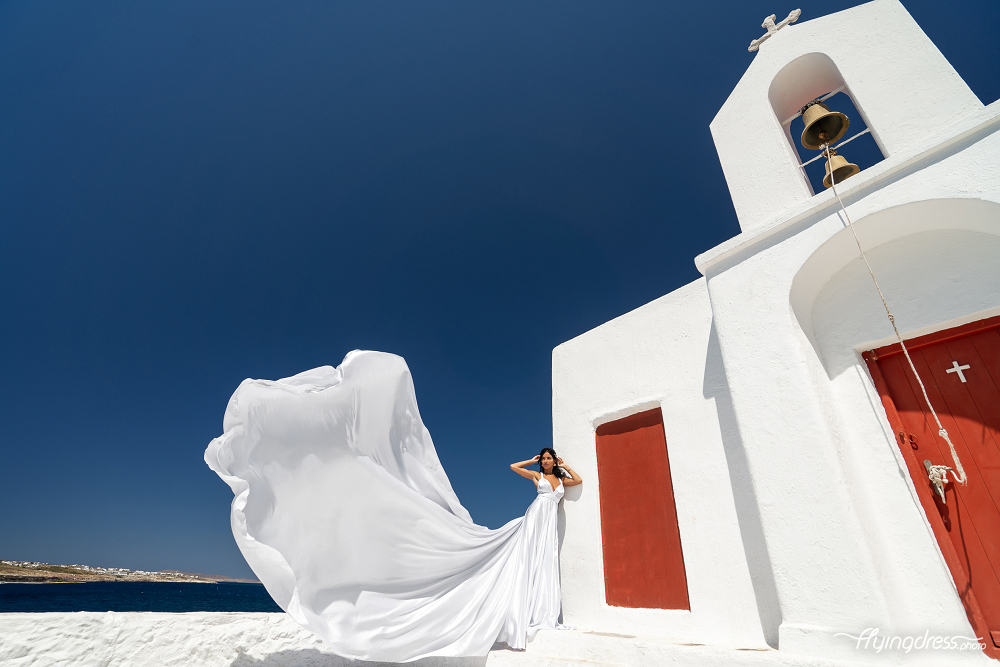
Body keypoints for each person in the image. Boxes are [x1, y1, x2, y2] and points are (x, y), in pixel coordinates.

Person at [205, 351, 583, 662]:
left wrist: (563, 466)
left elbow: (578, 482)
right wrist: (534, 459)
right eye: (546, 460)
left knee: (541, 560)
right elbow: (514, 468)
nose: (548, 463)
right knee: (522, 553)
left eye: (550, 460)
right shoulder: (537, 476)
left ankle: (539, 609)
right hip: (536, 517)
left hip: (546, 519)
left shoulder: (560, 479)